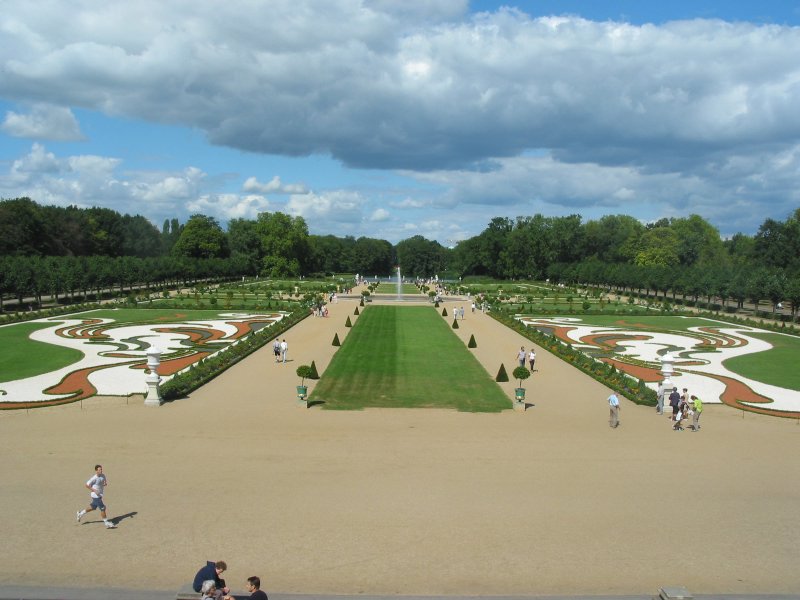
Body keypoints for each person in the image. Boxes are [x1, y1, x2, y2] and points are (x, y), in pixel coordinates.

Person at [76, 464, 116, 528]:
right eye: (99, 470)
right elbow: (87, 485)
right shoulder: (94, 478)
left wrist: (105, 483)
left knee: (93, 507)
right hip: (95, 496)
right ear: (96, 471)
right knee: (103, 508)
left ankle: (80, 514)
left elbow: (104, 482)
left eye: (101, 469)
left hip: (100, 495)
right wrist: (94, 490)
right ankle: (106, 523)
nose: (101, 471)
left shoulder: (103, 475)